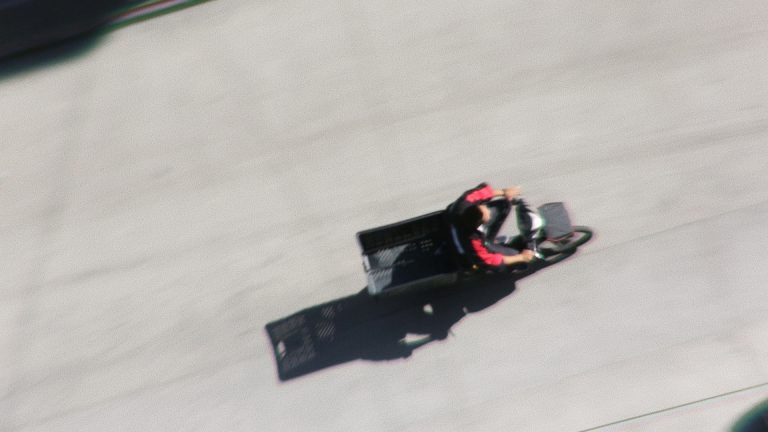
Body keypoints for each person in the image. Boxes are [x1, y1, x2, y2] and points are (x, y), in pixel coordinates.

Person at [449, 182, 535, 269]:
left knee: (505, 205)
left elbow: (480, 193)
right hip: (463, 247)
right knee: (516, 255)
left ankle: (490, 240)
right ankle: (489, 244)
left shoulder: (463, 204)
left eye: (484, 207)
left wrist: (504, 192)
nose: (488, 210)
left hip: (454, 226)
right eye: (487, 215)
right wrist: (521, 257)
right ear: (479, 224)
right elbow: (490, 261)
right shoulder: (473, 240)